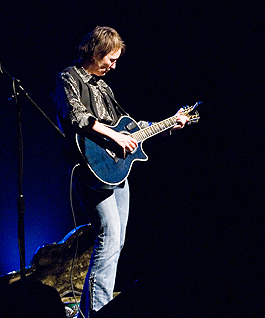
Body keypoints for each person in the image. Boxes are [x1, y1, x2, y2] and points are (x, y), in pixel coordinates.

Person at [54, 26, 189, 317]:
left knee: (118, 240)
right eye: (110, 59)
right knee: (109, 237)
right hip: (91, 170)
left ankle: (87, 311)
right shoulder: (69, 77)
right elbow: (75, 116)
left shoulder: (104, 87)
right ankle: (99, 311)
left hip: (116, 172)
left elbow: (128, 129)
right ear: (95, 51)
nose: (113, 66)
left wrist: (169, 125)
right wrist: (115, 138)